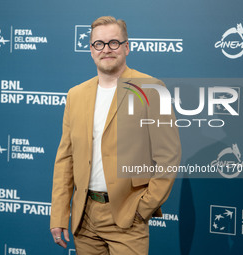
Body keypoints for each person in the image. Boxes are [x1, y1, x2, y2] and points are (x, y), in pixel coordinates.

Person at [50, 16, 181, 255]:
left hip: (128, 217)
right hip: (85, 219)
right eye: (99, 44)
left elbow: (168, 156)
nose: (106, 49)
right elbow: (65, 159)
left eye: (114, 43)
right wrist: (59, 214)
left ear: (127, 47)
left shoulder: (152, 88)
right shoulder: (75, 95)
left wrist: (143, 207)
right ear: (91, 50)